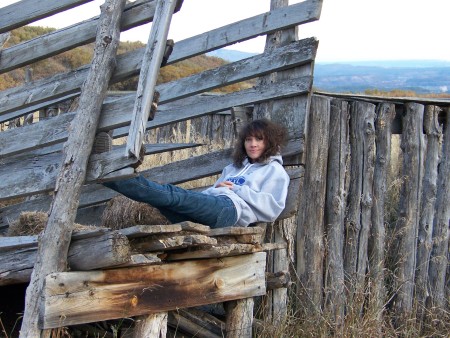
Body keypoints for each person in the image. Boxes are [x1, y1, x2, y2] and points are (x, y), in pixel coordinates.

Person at [103, 118, 290, 228]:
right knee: (161, 200)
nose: (253, 144)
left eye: (259, 139)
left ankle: (109, 171)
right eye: (248, 140)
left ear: (270, 142)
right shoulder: (234, 168)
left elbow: (272, 209)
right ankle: (107, 176)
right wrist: (214, 190)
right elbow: (214, 193)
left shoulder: (275, 171)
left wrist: (237, 190)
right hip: (213, 208)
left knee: (172, 195)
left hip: (229, 211)